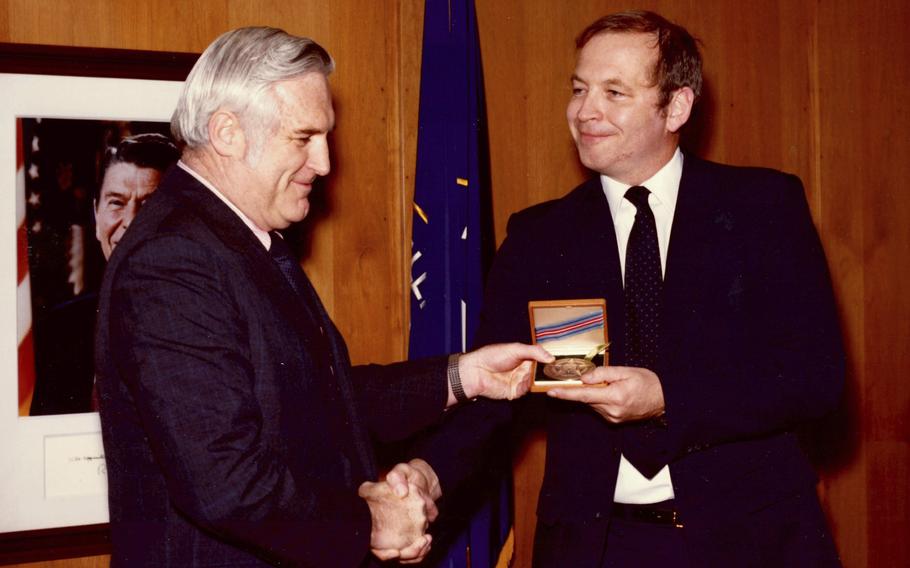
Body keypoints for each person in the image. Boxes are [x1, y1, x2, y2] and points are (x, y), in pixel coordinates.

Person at [94, 26, 552, 568]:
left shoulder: (235, 239)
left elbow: (317, 400)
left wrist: (462, 377)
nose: (325, 163)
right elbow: (225, 482)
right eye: (303, 137)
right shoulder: (173, 260)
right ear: (227, 132)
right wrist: (374, 523)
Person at [406, 10, 846, 567]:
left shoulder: (763, 209)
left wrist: (667, 398)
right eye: (579, 88)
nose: (585, 110)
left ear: (677, 107)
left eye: (614, 92)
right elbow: (498, 393)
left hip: (753, 542)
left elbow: (815, 377)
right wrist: (427, 473)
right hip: (596, 546)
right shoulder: (540, 235)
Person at [29, 133, 179, 415]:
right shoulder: (58, 331)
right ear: (96, 216)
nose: (131, 223)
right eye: (116, 203)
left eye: (150, 206)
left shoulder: (211, 322)